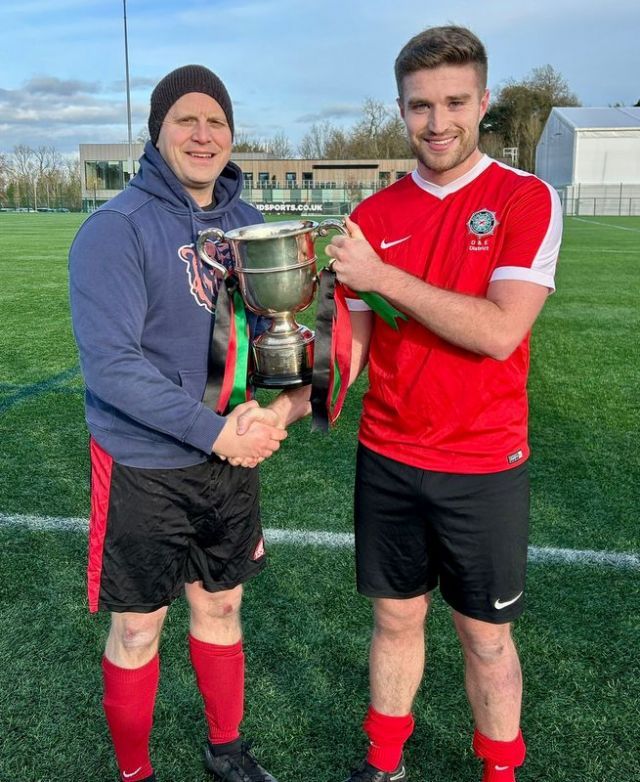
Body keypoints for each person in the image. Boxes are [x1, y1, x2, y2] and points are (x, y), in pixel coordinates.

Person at [321, 25, 563, 782]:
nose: (437, 122)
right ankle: (383, 764)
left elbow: (498, 331)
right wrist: (290, 393)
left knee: (486, 638)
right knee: (394, 620)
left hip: (482, 465)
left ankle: (499, 772)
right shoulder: (375, 216)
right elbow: (352, 351)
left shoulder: (525, 199)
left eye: (455, 102)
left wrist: (382, 277)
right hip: (388, 457)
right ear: (401, 109)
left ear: (483, 101)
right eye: (420, 106)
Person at [69, 65, 289, 782]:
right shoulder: (116, 228)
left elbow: (278, 335)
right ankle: (135, 773)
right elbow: (112, 367)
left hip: (228, 466)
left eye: (216, 122)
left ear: (232, 134)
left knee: (221, 605)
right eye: (186, 121)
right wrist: (217, 430)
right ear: (156, 132)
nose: (203, 135)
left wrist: (279, 409)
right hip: (144, 466)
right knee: (137, 626)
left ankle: (225, 747)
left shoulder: (251, 225)